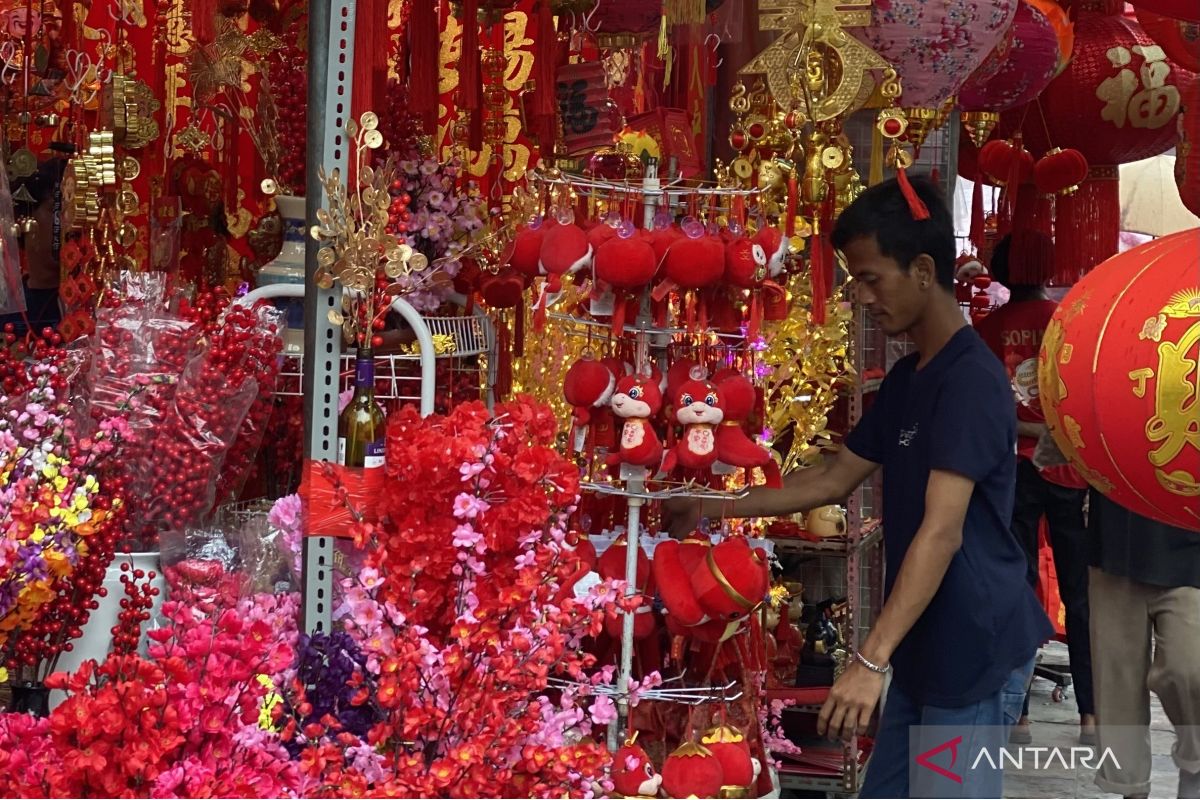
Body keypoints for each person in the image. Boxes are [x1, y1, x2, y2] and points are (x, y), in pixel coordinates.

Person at [665, 176, 1051, 798]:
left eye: (871, 278)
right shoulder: (909, 378)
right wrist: (708, 503)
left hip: (974, 645)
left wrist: (869, 661)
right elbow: (831, 477)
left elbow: (941, 531)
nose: (862, 296)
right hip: (925, 642)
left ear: (923, 271)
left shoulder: (971, 381)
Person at [973, 233, 1094, 746]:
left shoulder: (986, 330)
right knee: (1080, 594)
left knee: (1018, 586)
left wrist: (1026, 432)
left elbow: (986, 408)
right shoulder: (1072, 325)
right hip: (1067, 467)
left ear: (1002, 271)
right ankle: (1092, 718)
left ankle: (1017, 713)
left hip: (1014, 471)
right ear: (1048, 270)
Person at [1087, 491, 1200, 799]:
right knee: (1117, 682)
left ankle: (1195, 761)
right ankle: (1131, 790)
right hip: (1115, 534)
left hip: (1190, 532)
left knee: (1188, 667)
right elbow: (1059, 448)